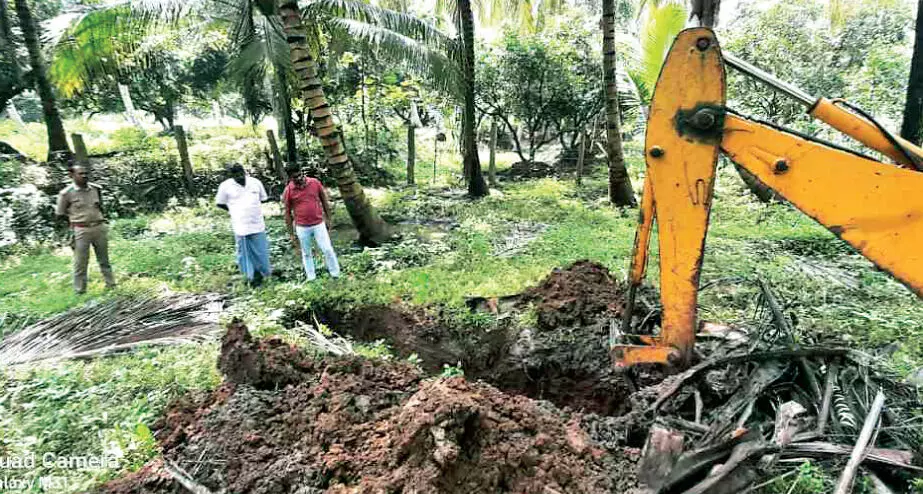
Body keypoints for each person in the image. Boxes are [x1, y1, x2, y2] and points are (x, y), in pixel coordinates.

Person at [56, 164, 116, 294]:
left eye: (86, 173)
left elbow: (101, 206)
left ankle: (111, 284)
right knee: (81, 263)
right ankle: (80, 290)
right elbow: (60, 214)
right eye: (80, 174)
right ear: (71, 175)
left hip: (99, 228)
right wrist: (74, 222)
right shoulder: (66, 194)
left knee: (104, 259)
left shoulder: (96, 189)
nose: (84, 176)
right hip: (81, 230)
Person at [216, 163, 272, 287]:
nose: (240, 176)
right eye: (236, 175)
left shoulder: (255, 182)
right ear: (231, 175)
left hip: (257, 223)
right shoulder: (225, 186)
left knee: (261, 251)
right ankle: (250, 278)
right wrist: (233, 210)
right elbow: (219, 203)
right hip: (240, 225)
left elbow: (263, 198)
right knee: (244, 253)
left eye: (241, 173)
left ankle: (265, 275)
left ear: (244, 172)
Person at [282, 164, 340, 281]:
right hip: (302, 227)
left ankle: (335, 274)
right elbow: (287, 214)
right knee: (306, 253)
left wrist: (329, 219)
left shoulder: (314, 183)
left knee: (327, 249)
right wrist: (291, 234)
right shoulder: (288, 190)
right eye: (295, 177)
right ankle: (311, 277)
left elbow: (324, 201)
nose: (298, 178)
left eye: (299, 175)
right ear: (290, 178)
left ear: (302, 172)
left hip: (318, 223)